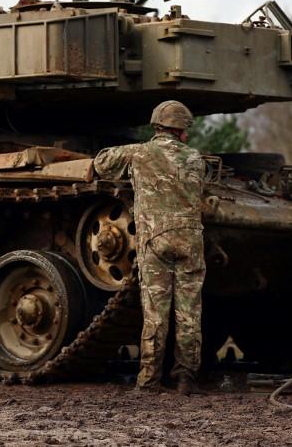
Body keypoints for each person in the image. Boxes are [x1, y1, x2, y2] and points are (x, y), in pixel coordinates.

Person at [93, 100, 207, 395]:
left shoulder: (140, 153)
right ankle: (186, 378)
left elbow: (102, 162)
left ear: (157, 126)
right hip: (191, 241)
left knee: (156, 313)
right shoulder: (196, 159)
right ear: (182, 132)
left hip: (156, 240)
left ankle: (149, 380)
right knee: (189, 313)